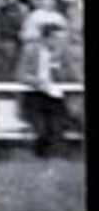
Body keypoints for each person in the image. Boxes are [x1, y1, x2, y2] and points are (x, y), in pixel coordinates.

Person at [18, 22, 79, 158]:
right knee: (41, 131)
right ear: (45, 38)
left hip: (56, 96)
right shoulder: (30, 50)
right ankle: (41, 157)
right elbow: (20, 74)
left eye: (63, 39)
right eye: (57, 38)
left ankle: (56, 157)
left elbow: (71, 75)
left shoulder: (63, 51)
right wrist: (39, 82)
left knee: (57, 129)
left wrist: (59, 71)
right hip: (34, 95)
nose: (61, 42)